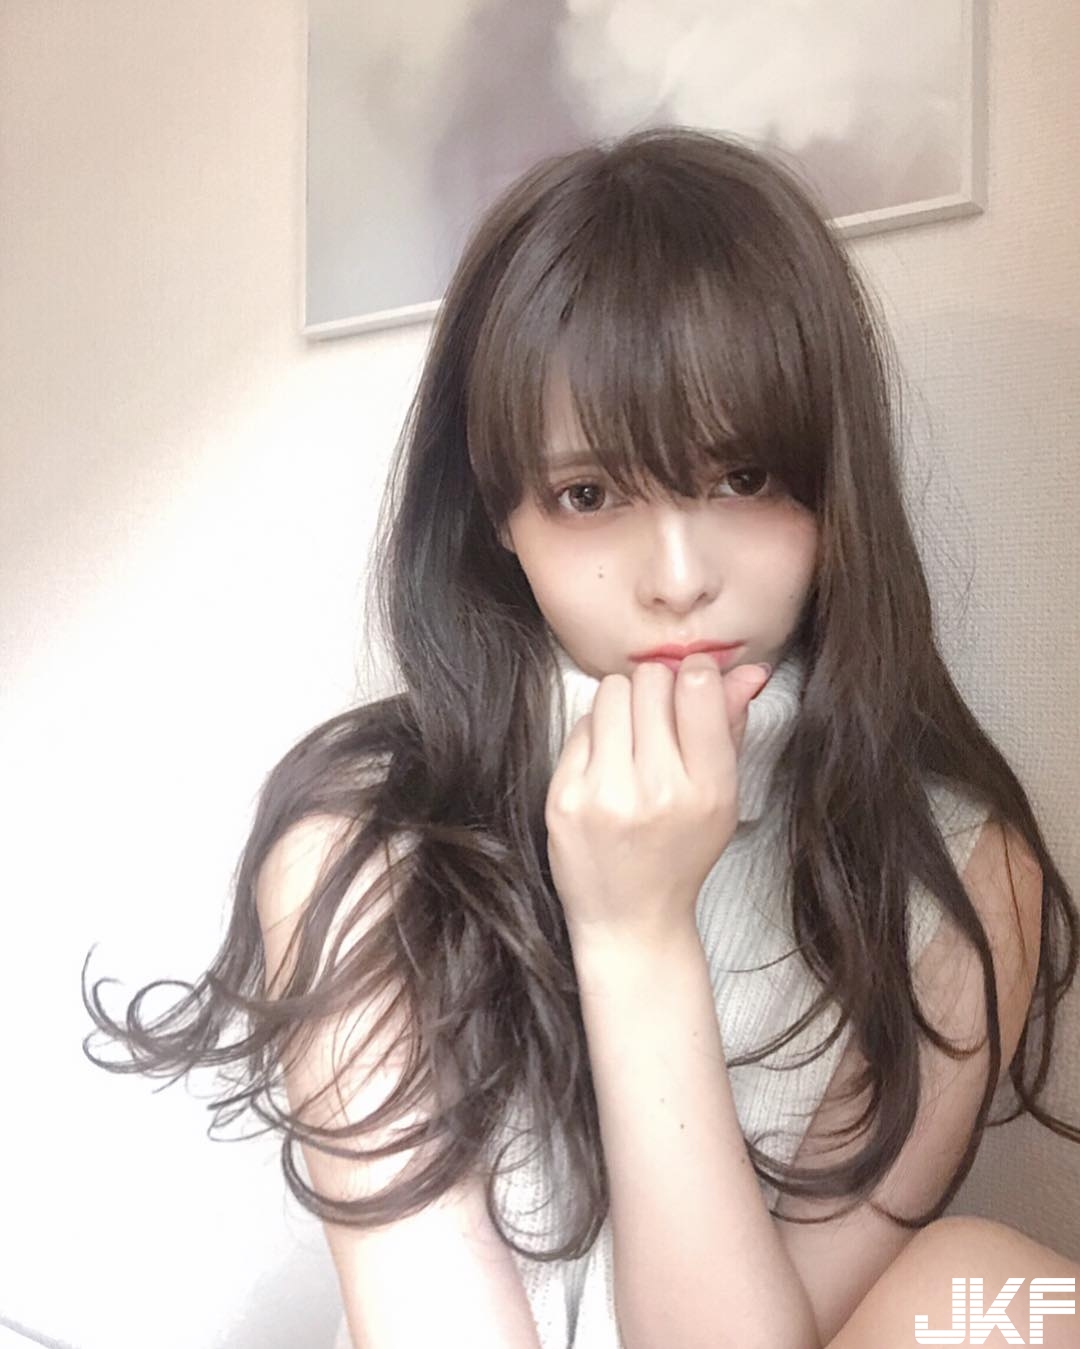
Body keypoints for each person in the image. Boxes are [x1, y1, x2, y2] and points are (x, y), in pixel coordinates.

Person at [83, 126, 1080, 1349]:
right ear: (498, 514)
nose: (678, 576)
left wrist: (639, 938)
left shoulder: (960, 875)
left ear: (835, 480)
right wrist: (619, 917)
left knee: (1010, 1299)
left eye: (745, 475)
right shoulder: (366, 839)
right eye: (590, 494)